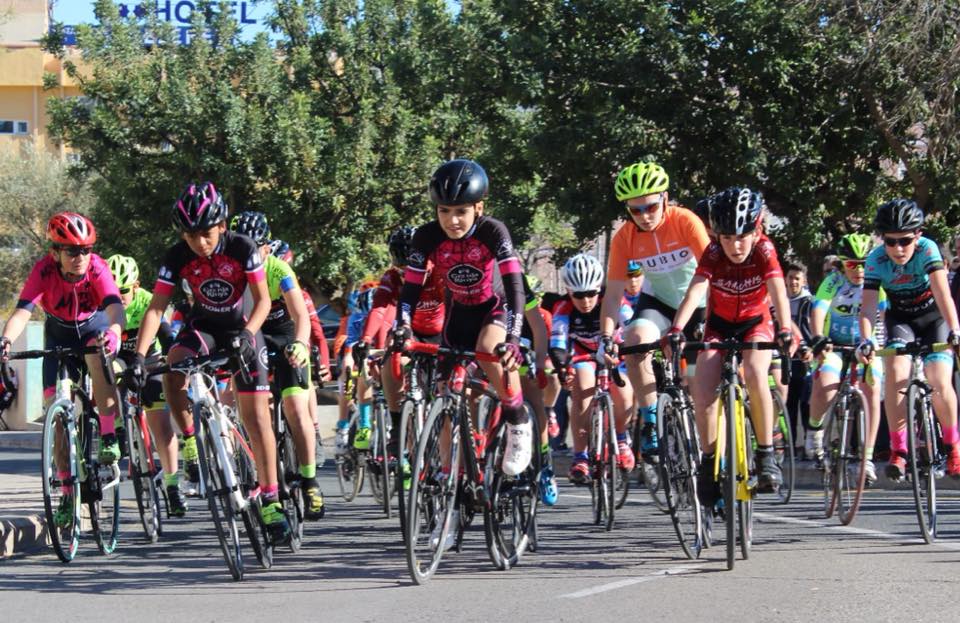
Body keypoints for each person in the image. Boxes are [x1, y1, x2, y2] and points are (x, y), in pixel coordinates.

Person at [124, 182, 290, 543]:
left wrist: (247, 335)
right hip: (204, 330)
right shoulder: (176, 256)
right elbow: (156, 307)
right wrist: (138, 356)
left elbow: (262, 301)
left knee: (257, 417)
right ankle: (190, 443)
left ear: (222, 225)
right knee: (172, 364)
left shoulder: (242, 248)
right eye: (191, 235)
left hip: (243, 328)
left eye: (206, 234)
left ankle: (271, 498)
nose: (199, 243)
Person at [393, 158, 532, 476]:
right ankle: (448, 474)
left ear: (478, 208)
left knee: (488, 347)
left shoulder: (493, 231)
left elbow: (514, 286)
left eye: (461, 211)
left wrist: (513, 338)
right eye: (444, 211)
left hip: (494, 306)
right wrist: (401, 325)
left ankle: (517, 418)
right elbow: (410, 291)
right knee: (445, 392)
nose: (452, 220)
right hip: (459, 314)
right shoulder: (426, 237)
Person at [667, 187, 793, 504]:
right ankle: (709, 461)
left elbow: (777, 289)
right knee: (703, 388)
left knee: (753, 371)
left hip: (755, 324)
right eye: (727, 238)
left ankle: (766, 456)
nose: (735, 246)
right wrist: (677, 328)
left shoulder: (765, 249)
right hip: (720, 325)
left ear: (757, 229)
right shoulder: (713, 253)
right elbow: (696, 289)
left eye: (742, 236)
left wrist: (786, 328)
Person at [0, 213, 125, 526]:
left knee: (97, 351)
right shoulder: (43, 271)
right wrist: (5, 340)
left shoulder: (97, 267)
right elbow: (22, 312)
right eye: (72, 251)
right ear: (55, 252)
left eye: (85, 249)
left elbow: (114, 307)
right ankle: (68, 494)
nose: (80, 257)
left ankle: (109, 434)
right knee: (57, 417)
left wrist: (115, 333)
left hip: (93, 327)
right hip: (58, 334)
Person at [600, 161, 711, 464]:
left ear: (665, 197)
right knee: (634, 341)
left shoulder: (685, 221)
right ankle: (651, 420)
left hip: (699, 303)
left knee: (700, 383)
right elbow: (612, 295)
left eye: (650, 207)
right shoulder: (625, 238)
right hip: (660, 302)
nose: (645, 216)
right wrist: (607, 337)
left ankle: (715, 452)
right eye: (635, 210)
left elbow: (711, 272)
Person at [231, 211, 326, 520]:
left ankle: (310, 480)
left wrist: (300, 344)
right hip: (252, 337)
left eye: (254, 248)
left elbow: (301, 315)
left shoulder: (279, 268)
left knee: (296, 408)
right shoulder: (231, 272)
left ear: (267, 249)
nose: (247, 254)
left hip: (285, 335)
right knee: (250, 412)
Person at [857, 199, 960, 479]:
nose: (898, 249)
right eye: (891, 242)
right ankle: (899, 450)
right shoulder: (876, 259)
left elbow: (942, 294)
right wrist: (866, 339)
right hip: (901, 320)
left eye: (904, 240)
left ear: (917, 235)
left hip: (934, 319)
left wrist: (955, 330)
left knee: (939, 380)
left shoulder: (928, 249)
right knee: (896, 375)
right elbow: (867, 308)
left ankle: (953, 449)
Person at [106, 255, 188, 514]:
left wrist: (171, 355)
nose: (118, 297)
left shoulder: (146, 300)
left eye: (123, 291)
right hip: (118, 358)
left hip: (148, 358)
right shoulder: (103, 303)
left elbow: (166, 334)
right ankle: (118, 429)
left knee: (161, 424)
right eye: (112, 291)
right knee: (108, 373)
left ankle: (173, 485)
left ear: (136, 285)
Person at [550, 253, 636, 483]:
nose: (586, 301)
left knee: (625, 395)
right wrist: (561, 367)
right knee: (583, 389)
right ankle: (581, 457)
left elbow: (631, 326)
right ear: (569, 292)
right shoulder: (563, 308)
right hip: (583, 355)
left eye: (591, 294)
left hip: (614, 353)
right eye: (579, 295)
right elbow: (557, 343)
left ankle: (621, 438)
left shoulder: (615, 301)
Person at [807, 234, 885, 485]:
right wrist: (818, 337)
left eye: (864, 263)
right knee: (827, 384)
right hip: (836, 345)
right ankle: (815, 430)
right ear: (842, 264)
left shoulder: (877, 282)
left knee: (872, 390)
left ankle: (868, 457)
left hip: (865, 345)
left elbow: (886, 313)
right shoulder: (833, 280)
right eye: (852, 264)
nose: (859, 270)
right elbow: (818, 309)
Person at [783, 261, 814, 459]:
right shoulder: (779, 301)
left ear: (803, 281)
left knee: (807, 403)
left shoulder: (810, 302)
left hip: (806, 358)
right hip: (785, 358)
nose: (793, 282)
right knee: (789, 404)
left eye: (797, 278)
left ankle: (809, 447)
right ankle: (791, 447)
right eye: (790, 278)